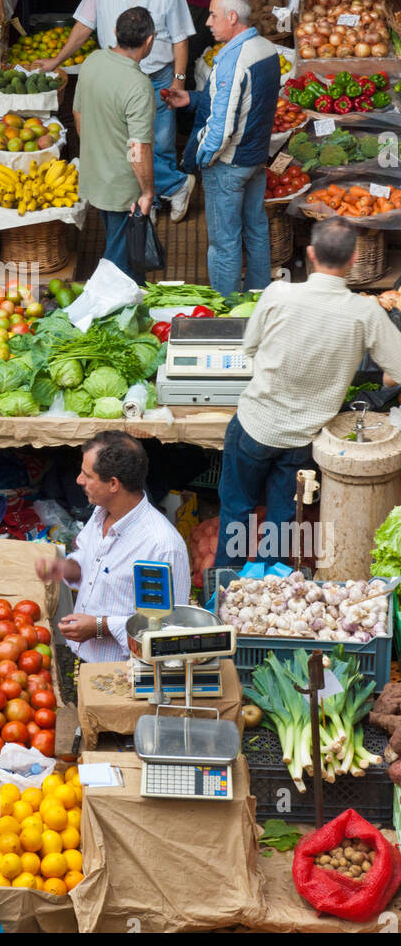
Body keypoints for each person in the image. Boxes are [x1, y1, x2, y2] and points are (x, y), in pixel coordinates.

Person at [214, 218, 401, 569]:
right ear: (353, 258)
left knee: (236, 511)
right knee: (282, 523)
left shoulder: (278, 292)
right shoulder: (365, 313)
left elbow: (250, 347)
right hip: (302, 441)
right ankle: (267, 599)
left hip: (255, 425)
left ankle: (225, 595)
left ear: (311, 254)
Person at [34, 0, 196, 221]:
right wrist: (57, 59)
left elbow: (180, 40)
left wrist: (178, 80)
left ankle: (157, 197)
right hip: (116, 76)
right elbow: (84, 26)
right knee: (129, 146)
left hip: (157, 78)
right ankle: (173, 187)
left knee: (157, 144)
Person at [161, 0, 279, 296]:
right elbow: (244, 102)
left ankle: (227, 312)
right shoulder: (266, 49)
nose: (208, 23)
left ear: (232, 17)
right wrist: (193, 99)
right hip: (255, 160)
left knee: (224, 243)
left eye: (213, 15)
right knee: (256, 230)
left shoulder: (233, 61)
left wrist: (200, 159)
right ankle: (257, 299)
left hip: (228, 165)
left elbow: (223, 126)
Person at [35, 432, 190, 664]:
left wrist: (100, 627)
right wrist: (66, 568)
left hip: (125, 673)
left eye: (87, 475)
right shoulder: (100, 514)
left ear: (113, 484)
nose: (78, 480)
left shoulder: (162, 547)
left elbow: (168, 626)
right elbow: (89, 563)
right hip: (86, 661)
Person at [72, 7, 156, 281]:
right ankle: (106, 313)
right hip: (122, 188)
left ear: (115, 34)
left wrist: (97, 150)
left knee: (119, 247)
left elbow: (78, 112)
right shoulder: (138, 84)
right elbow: (138, 149)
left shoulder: (93, 61)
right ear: (150, 41)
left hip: (95, 176)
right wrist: (147, 193)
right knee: (119, 267)